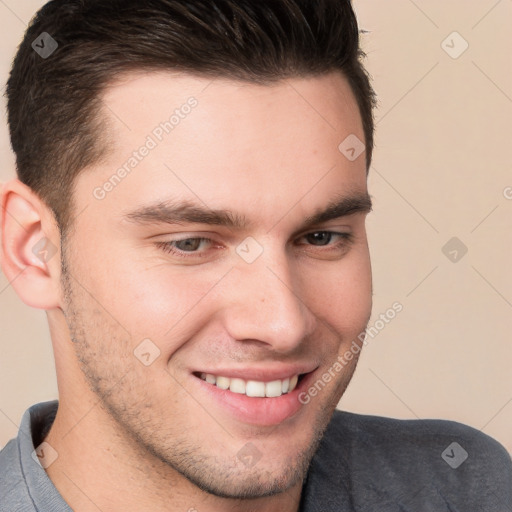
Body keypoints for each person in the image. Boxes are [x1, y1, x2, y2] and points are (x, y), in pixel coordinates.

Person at [0, 0, 510, 510]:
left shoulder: (465, 487)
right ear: (34, 251)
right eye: (190, 243)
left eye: (321, 237)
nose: (283, 324)